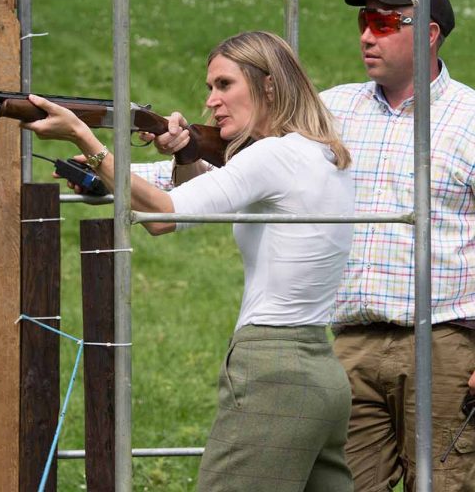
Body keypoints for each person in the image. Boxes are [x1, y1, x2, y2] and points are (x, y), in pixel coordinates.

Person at [143, 0, 475, 491]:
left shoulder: (471, 118)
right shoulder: (331, 111)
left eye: (386, 20)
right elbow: (242, 173)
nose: (367, 33)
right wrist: (139, 166)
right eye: (365, 19)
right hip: (346, 344)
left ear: (429, 33)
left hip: (446, 343)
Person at [21, 31, 356, 492]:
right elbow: (199, 199)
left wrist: (85, 137)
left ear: (270, 86)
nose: (211, 102)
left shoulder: (273, 157)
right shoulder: (317, 153)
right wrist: (182, 153)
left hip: (273, 370)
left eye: (224, 85)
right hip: (321, 372)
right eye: (209, 88)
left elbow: (164, 216)